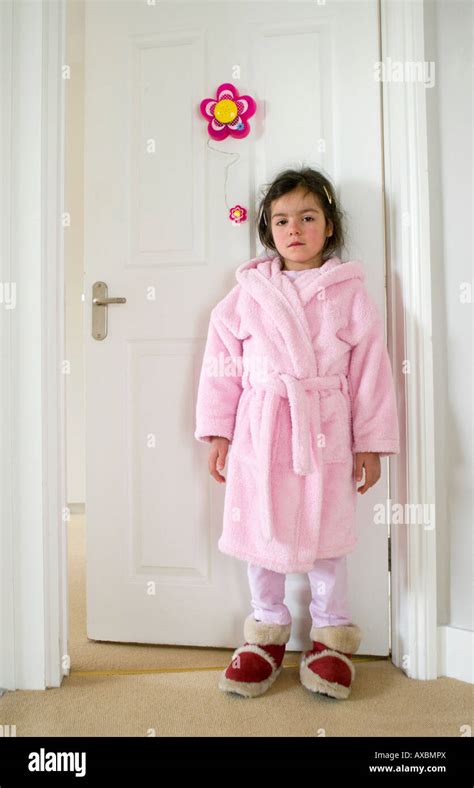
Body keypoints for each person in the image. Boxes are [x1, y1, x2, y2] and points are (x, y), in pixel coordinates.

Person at [194, 167, 400, 700]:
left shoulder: (349, 293)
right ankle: (265, 632)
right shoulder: (248, 294)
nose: (295, 229)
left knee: (328, 535)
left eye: (308, 217)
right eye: (282, 219)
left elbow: (371, 372)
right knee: (261, 532)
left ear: (329, 226)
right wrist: (218, 432)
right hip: (260, 428)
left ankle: (330, 637)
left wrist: (370, 443)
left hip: (324, 430)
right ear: (268, 230)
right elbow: (222, 362)